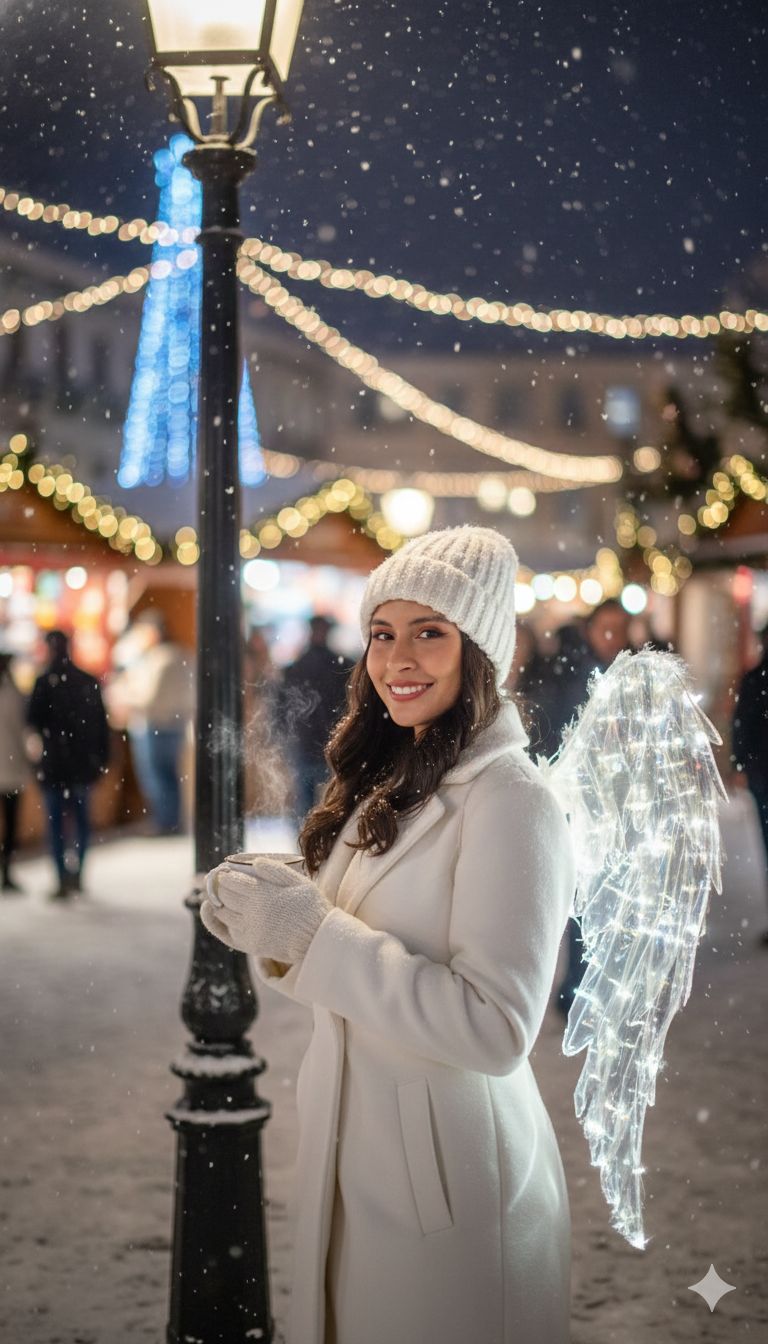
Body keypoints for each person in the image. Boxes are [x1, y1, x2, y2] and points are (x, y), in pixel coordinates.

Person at [202, 527, 575, 1344]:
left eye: (429, 633)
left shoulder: (511, 799)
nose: (397, 658)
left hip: (447, 1185)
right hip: (358, 1158)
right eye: (382, 633)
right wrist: (273, 918)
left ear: (479, 651)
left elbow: (496, 1026)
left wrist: (314, 934)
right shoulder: (394, 779)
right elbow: (347, 956)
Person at [546, 599, 632, 1014]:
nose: (612, 638)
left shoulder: (632, 676)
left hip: (620, 804)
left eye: (620, 628)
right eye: (606, 628)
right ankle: (575, 987)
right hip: (579, 805)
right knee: (581, 900)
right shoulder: (571, 674)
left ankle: (597, 986)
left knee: (612, 900)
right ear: (591, 630)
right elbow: (557, 732)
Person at [27, 630, 109, 898]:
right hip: (81, 764)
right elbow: (100, 725)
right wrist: (100, 759)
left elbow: (33, 723)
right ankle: (78, 874)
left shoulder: (43, 682)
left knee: (56, 824)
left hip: (54, 765)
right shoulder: (86, 680)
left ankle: (62, 876)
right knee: (82, 822)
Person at [108, 610, 194, 834]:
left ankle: (165, 822)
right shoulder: (181, 655)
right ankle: (171, 821)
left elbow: (147, 697)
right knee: (169, 777)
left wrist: (123, 695)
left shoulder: (158, 659)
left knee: (156, 777)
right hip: (173, 725)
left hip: (154, 725)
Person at [280, 615, 354, 822]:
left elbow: (282, 708)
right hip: (330, 740)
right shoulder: (343, 665)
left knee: (310, 801)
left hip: (311, 742)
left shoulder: (296, 667)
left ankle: (307, 842)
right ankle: (315, 843)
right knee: (331, 799)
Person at [732, 623, 768, 943]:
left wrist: (742, 763)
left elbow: (742, 725)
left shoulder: (755, 678)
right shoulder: (755, 679)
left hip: (762, 774)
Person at [0, 650, 29, 893]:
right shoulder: (13, 695)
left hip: (8, 766)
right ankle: (6, 872)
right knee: (10, 825)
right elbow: (22, 732)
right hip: (10, 769)